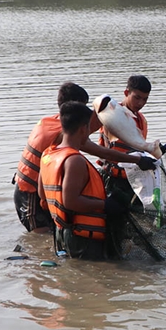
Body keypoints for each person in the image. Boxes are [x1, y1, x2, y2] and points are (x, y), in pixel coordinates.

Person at [14, 82, 155, 232]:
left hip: (43, 189)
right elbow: (102, 152)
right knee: (42, 234)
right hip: (28, 191)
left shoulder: (52, 121)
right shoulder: (64, 133)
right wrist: (138, 160)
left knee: (52, 235)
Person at [38, 102, 124, 260]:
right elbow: (70, 201)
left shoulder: (48, 154)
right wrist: (105, 205)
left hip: (62, 233)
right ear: (84, 128)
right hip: (83, 238)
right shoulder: (74, 160)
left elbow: (41, 193)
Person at [96, 75, 158, 210]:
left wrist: (155, 152)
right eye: (137, 97)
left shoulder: (141, 119)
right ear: (126, 93)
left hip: (134, 179)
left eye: (145, 99)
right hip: (114, 179)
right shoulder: (112, 114)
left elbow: (140, 149)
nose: (140, 103)